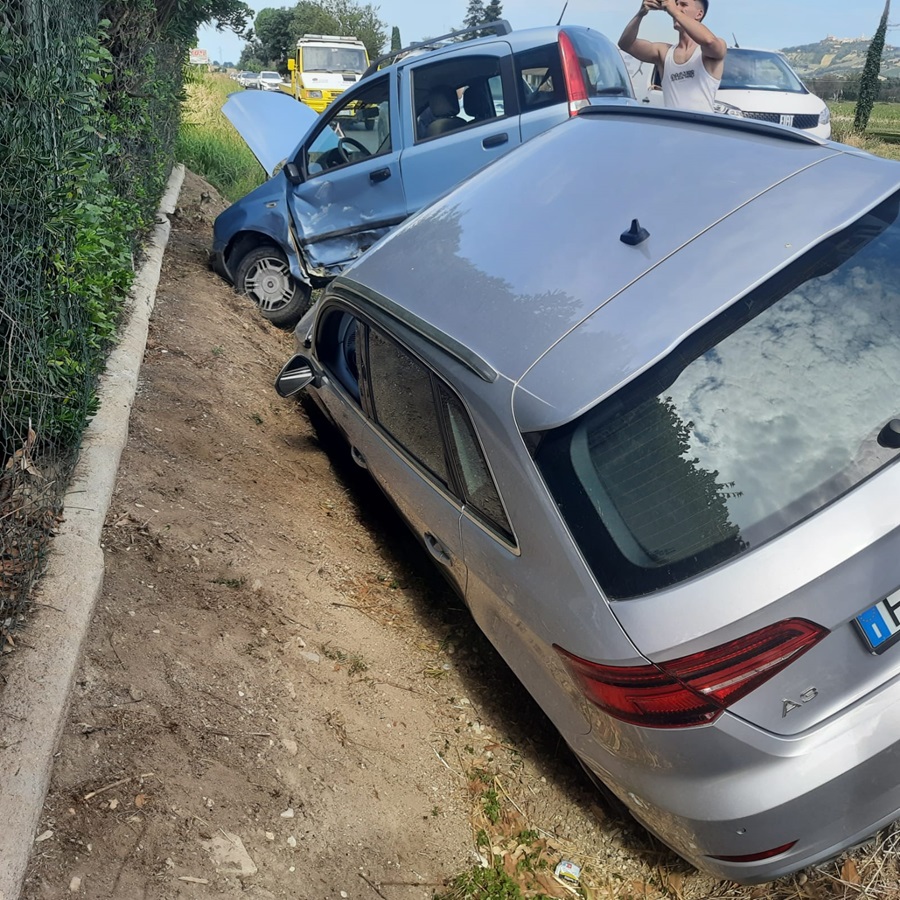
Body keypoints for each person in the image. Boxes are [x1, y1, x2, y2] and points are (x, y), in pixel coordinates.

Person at [619, 0, 727, 113]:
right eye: (676, 4)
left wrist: (676, 12)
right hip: (674, 129)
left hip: (702, 129)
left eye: (683, 4)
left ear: (699, 14)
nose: (676, 8)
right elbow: (626, 44)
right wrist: (641, 13)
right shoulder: (664, 52)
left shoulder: (710, 50)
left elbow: (709, 41)